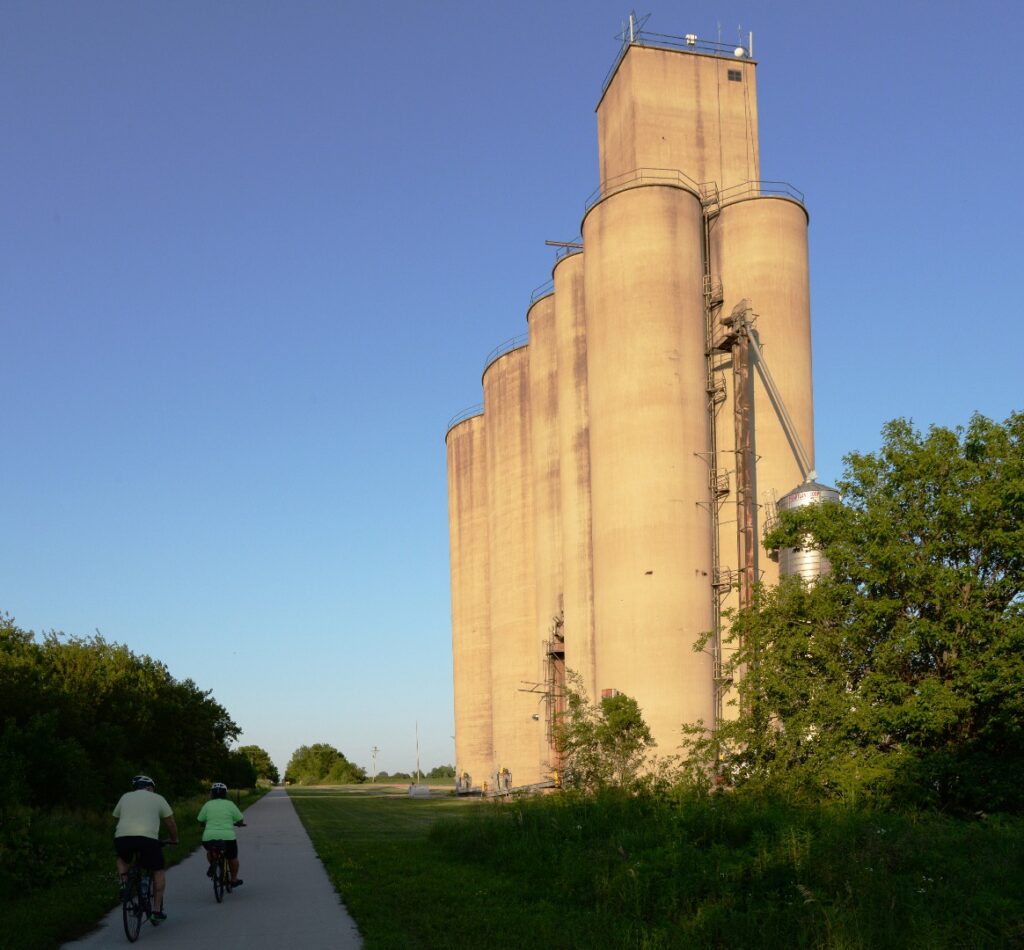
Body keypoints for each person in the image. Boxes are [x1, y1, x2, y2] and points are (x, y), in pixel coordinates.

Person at [113, 775, 178, 923]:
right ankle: (156, 911)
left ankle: (124, 885)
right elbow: (171, 823)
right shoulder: (158, 798)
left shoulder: (125, 797)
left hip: (122, 837)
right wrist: (174, 839)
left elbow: (116, 817)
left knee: (122, 858)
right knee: (158, 870)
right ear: (150, 787)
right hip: (148, 839)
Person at [197, 782, 246, 887]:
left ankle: (214, 864)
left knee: (210, 851)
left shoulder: (207, 805)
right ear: (225, 793)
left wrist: (203, 824)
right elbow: (240, 819)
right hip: (228, 838)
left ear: (212, 794)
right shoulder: (230, 804)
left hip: (209, 837)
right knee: (232, 857)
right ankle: (233, 879)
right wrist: (239, 824)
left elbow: (200, 819)